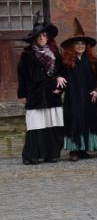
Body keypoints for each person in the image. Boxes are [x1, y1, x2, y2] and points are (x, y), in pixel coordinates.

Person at [17, 15, 66, 164]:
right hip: (35, 96)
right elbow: (22, 76)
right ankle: (31, 156)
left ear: (48, 38)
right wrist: (22, 94)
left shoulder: (55, 54)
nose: (42, 38)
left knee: (53, 126)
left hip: (52, 95)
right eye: (39, 36)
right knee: (35, 126)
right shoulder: (27, 55)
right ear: (34, 38)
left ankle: (51, 154)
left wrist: (59, 88)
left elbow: (62, 74)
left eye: (44, 35)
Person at [60, 19, 97, 161]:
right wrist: (59, 77)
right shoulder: (65, 62)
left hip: (89, 97)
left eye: (82, 44)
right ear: (72, 46)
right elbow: (58, 74)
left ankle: (84, 149)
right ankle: (74, 151)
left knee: (89, 120)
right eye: (77, 44)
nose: (80, 46)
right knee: (74, 121)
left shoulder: (92, 61)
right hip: (73, 98)